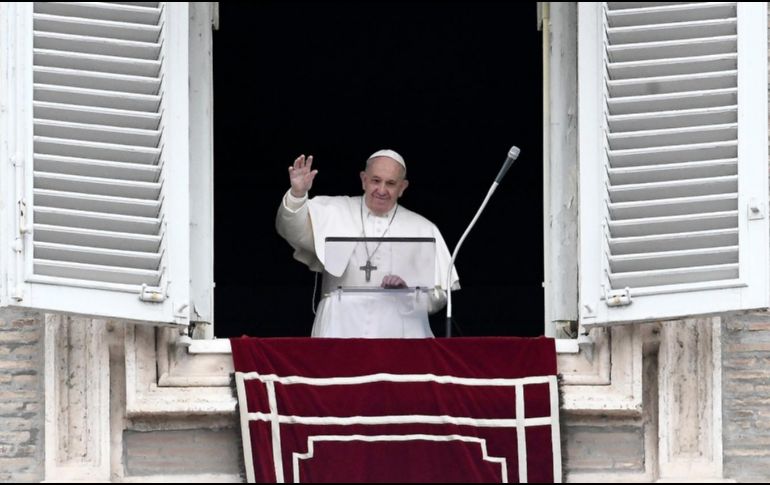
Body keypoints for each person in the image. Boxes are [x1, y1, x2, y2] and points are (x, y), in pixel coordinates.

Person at [276, 149, 459, 338]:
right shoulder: (334, 210)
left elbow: (439, 295)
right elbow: (290, 230)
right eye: (375, 180)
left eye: (391, 183)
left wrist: (408, 292)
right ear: (364, 179)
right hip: (339, 328)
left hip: (400, 333)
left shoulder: (423, 228)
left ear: (403, 187)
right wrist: (297, 194)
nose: (381, 190)